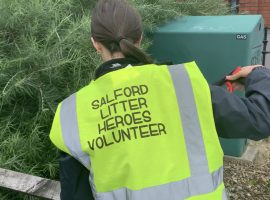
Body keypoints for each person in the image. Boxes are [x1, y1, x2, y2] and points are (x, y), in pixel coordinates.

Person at [49, 0, 270, 199]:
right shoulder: (186, 83)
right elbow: (260, 119)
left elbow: (75, 195)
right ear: (140, 38)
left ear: (95, 43)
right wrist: (258, 74)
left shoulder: (71, 112)